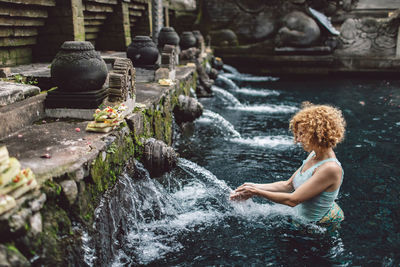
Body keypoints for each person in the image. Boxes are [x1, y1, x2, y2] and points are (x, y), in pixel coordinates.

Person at [230, 102, 346, 231]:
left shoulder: (330, 168)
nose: (297, 140)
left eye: (302, 134)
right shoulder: (314, 154)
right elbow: (288, 185)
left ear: (319, 134)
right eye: (297, 134)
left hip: (317, 228)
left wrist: (255, 192)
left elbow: (293, 200)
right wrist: (251, 186)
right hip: (301, 221)